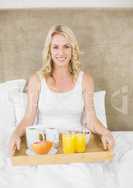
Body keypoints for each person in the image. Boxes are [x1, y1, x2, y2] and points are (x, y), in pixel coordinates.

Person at [9, 24, 115, 155]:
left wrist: (106, 133)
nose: (61, 52)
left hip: (76, 148)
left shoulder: (85, 80)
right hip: (46, 149)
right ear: (49, 50)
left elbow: (91, 120)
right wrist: (15, 135)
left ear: (72, 49)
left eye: (66, 46)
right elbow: (28, 118)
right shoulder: (37, 80)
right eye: (55, 47)